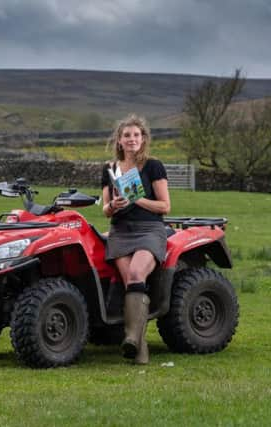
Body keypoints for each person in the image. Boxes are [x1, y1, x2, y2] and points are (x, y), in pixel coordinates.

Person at [101, 114, 171, 364]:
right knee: (129, 280)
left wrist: (136, 199)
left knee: (135, 274)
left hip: (149, 230)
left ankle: (132, 338)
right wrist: (114, 205)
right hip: (120, 231)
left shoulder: (153, 166)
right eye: (127, 135)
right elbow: (105, 209)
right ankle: (140, 350)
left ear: (143, 139)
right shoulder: (110, 169)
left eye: (136, 135)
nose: (131, 139)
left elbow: (165, 206)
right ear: (119, 140)